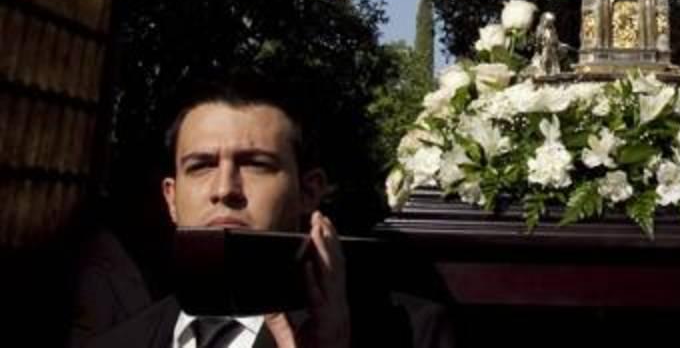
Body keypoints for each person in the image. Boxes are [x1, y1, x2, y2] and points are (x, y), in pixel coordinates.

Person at [89, 76, 452, 348]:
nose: (224, 189)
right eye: (201, 166)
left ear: (309, 191)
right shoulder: (114, 343)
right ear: (170, 198)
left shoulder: (410, 334)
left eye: (256, 165)